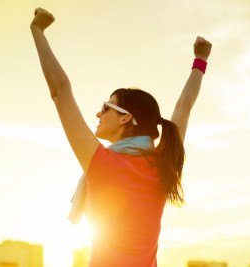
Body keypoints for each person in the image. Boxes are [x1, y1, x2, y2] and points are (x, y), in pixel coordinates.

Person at [30, 7, 212, 267]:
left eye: (106, 106)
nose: (98, 113)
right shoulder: (163, 163)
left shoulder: (104, 164)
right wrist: (200, 61)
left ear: (126, 117)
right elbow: (184, 108)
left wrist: (37, 31)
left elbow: (60, 91)